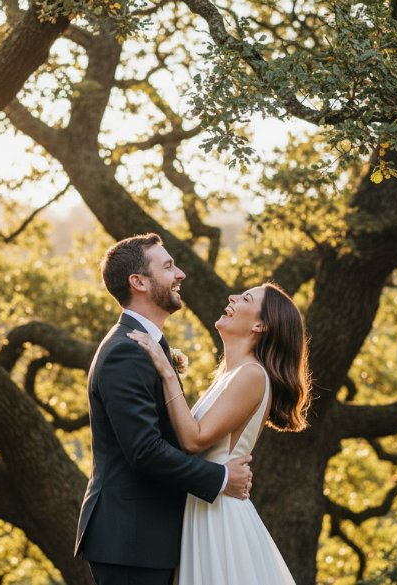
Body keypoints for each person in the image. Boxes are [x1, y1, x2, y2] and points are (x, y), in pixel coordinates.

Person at [74, 233, 254, 585]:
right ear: (138, 282)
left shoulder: (147, 345)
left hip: (145, 536)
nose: (181, 274)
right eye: (169, 266)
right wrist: (220, 479)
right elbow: (144, 450)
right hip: (130, 538)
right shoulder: (125, 351)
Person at [128, 281, 311, 584]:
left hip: (218, 516)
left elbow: (194, 439)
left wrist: (165, 371)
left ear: (260, 324)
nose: (232, 297)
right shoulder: (230, 375)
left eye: (246, 298)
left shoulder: (252, 375)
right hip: (203, 504)